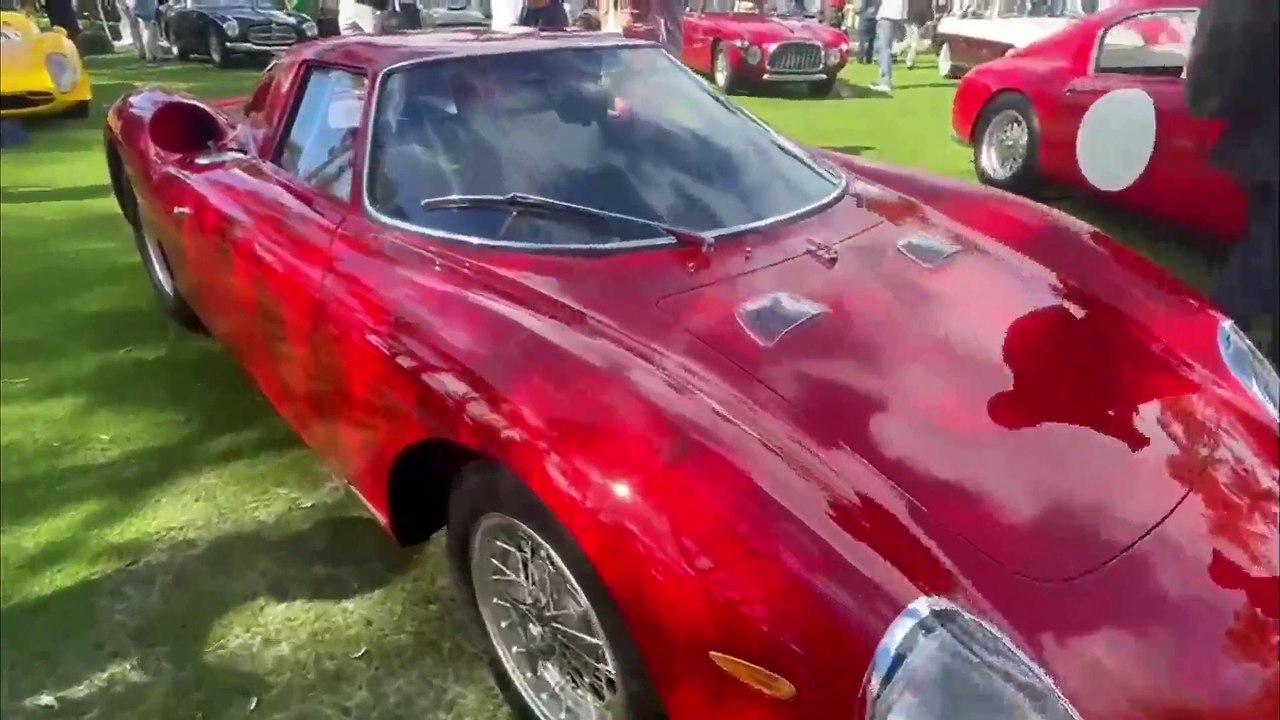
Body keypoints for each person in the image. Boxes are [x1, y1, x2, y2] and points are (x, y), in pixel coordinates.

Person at [1186, 1, 1280, 362]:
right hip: (1267, 143)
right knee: (1260, 257)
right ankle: (1212, 345)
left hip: (1259, 141)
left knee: (1264, 246)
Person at [872, 0, 905, 92]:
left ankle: (885, 81)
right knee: (883, 48)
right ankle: (885, 78)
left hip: (886, 15)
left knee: (883, 48)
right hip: (897, 15)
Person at [900, 0, 930, 69]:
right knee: (914, 43)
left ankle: (900, 52)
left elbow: (928, 7)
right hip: (913, 20)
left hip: (916, 20)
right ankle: (909, 62)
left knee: (910, 41)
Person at [856, 0, 878, 64]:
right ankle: (869, 58)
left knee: (862, 40)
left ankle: (861, 58)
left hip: (865, 18)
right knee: (871, 40)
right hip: (874, 18)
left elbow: (863, 7)